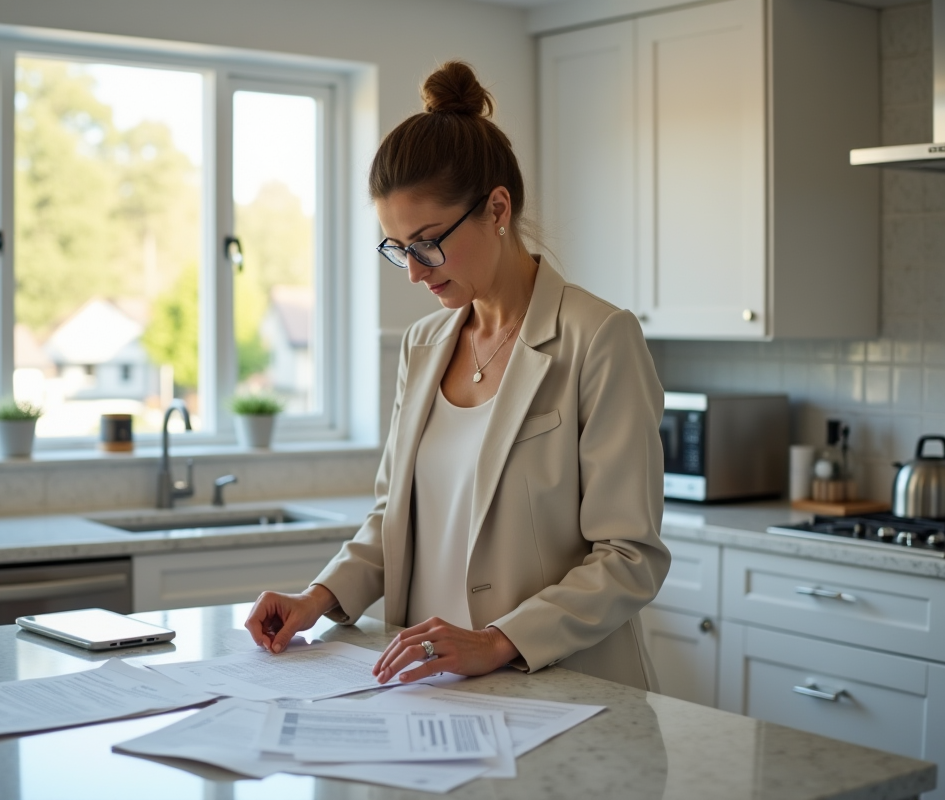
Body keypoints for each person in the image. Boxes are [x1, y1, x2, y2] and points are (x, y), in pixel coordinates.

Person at [244, 61, 670, 690]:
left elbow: (630, 557)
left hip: (562, 689)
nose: (414, 272)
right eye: (397, 249)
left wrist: (499, 641)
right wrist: (319, 597)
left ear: (496, 208)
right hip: (430, 695)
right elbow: (393, 521)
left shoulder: (598, 337)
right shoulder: (423, 345)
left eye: (427, 242)